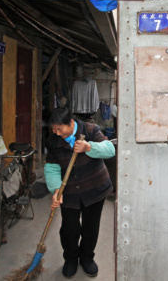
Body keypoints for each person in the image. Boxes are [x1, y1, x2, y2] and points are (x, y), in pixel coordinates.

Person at [44, 107, 115, 279]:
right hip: (69, 192)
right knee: (69, 228)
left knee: (91, 227)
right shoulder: (53, 141)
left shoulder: (90, 130)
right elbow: (52, 167)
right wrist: (55, 190)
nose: (57, 133)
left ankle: (87, 258)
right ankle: (70, 259)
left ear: (71, 123)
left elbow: (109, 149)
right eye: (53, 129)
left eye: (60, 129)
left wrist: (89, 147)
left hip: (95, 188)